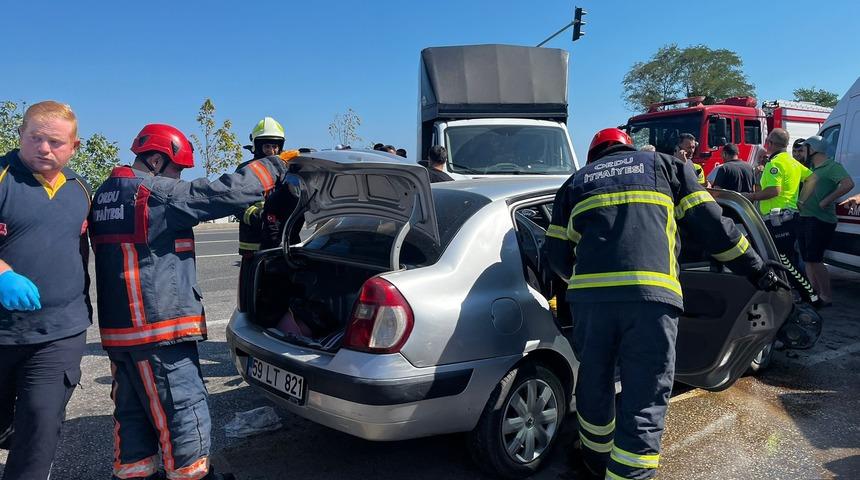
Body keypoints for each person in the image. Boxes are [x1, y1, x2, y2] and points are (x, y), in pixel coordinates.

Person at [545, 128, 777, 480]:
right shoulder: (664, 166)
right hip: (651, 299)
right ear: (628, 148)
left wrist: (582, 280)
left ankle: (595, 460)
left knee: (594, 381)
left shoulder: (576, 182)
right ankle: (629, 474)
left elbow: (556, 257)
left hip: (591, 303)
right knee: (645, 391)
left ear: (594, 156)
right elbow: (715, 228)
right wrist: (757, 269)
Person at [90, 124, 291, 480]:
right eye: (177, 170)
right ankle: (194, 475)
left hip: (121, 332)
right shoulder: (154, 194)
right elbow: (221, 193)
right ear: (155, 160)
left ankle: (136, 474)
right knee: (184, 408)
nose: (180, 178)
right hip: (159, 329)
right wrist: (274, 165)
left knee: (133, 414)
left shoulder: (106, 193)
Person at [0, 101, 92, 480]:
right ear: (20, 134)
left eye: (55, 141)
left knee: (40, 426)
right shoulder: (4, 177)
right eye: (35, 138)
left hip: (59, 332)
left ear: (74, 146)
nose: (44, 148)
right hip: (3, 333)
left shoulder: (80, 189)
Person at [797, 136, 854, 305]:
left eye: (804, 148)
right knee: (808, 259)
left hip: (820, 219)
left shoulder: (832, 166)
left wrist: (826, 200)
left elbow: (848, 183)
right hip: (805, 217)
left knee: (815, 259)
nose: (801, 152)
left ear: (813, 149)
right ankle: (812, 294)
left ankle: (826, 296)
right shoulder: (811, 168)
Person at [742, 128, 812, 263]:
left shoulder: (774, 163)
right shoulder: (793, 162)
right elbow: (813, 178)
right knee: (789, 261)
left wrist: (750, 196)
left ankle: (795, 284)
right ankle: (792, 284)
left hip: (777, 220)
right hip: (790, 217)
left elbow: (774, 191)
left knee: (782, 262)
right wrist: (801, 200)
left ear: (770, 143)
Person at [237, 117, 288, 263]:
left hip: (278, 240)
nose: (271, 151)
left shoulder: (285, 169)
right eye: (267, 146)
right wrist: (258, 216)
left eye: (275, 146)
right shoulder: (245, 170)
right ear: (257, 146)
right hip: (253, 242)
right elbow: (235, 203)